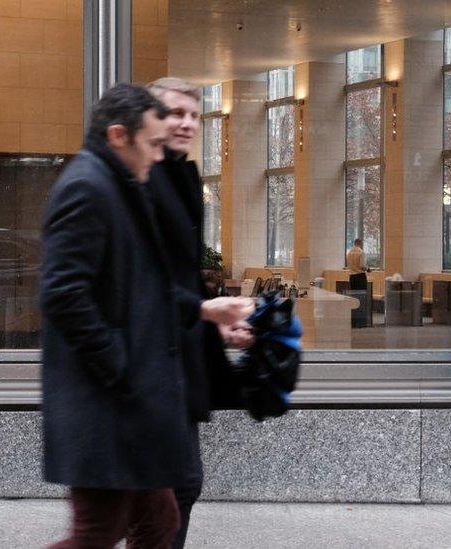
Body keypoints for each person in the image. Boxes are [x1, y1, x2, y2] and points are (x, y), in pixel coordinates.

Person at [40, 83, 253, 548]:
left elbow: (146, 287)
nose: (160, 156)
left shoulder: (119, 185)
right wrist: (119, 362)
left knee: (160, 520)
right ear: (119, 135)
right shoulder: (87, 187)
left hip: (132, 399)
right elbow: (62, 294)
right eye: (154, 143)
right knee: (98, 533)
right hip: (106, 401)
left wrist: (204, 313)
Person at [146, 76, 255, 549]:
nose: (188, 123)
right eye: (176, 113)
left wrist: (219, 325)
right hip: (147, 357)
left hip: (176, 352)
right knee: (176, 485)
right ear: (150, 118)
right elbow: (139, 282)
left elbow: (182, 275)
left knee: (175, 487)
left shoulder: (184, 176)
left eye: (194, 114)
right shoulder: (141, 178)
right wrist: (207, 311)